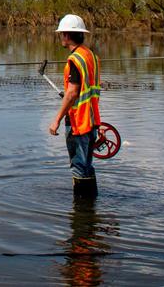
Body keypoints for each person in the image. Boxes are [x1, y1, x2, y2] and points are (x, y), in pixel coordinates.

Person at [47, 14, 101, 197]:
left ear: (67, 35)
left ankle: (81, 214)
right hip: (92, 121)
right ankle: (90, 212)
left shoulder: (75, 59)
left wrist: (56, 120)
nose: (61, 37)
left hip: (78, 122)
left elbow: (72, 93)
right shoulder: (90, 55)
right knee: (87, 166)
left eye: (62, 33)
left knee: (79, 167)